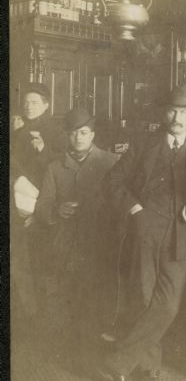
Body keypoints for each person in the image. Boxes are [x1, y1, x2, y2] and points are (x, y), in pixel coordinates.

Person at [102, 86, 186, 381]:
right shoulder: (143, 145)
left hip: (181, 235)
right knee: (144, 299)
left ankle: (117, 362)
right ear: (164, 113)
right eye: (172, 110)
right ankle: (148, 369)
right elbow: (112, 181)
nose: (177, 117)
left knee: (167, 305)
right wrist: (134, 206)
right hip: (144, 231)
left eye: (184, 112)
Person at [35, 108, 118, 362]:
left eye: (84, 133)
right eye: (73, 134)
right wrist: (58, 210)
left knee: (98, 295)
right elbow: (42, 207)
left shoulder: (112, 162)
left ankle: (93, 349)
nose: (78, 138)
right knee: (68, 294)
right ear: (66, 136)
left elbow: (120, 202)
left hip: (101, 241)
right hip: (67, 243)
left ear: (93, 134)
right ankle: (72, 350)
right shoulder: (55, 167)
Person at [11, 83, 68, 327]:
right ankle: (30, 315)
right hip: (20, 201)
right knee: (23, 260)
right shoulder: (19, 126)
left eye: (34, 102)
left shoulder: (56, 129)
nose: (29, 106)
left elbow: (63, 166)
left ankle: (44, 317)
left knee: (42, 263)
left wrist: (43, 150)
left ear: (46, 105)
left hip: (41, 204)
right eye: (26, 102)